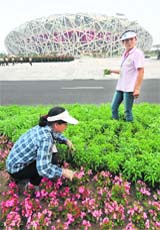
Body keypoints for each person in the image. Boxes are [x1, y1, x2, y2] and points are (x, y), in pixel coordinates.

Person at [6, 106, 79, 191]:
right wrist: (64, 172)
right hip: (16, 170)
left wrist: (66, 141)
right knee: (51, 160)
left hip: (12, 163)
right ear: (56, 124)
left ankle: (30, 178)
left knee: (52, 155)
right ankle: (33, 185)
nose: (67, 126)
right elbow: (43, 169)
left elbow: (54, 133)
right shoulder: (46, 139)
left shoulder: (44, 126)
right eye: (65, 124)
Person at [108, 30, 144, 122]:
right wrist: (111, 71)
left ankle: (130, 129)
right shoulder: (125, 54)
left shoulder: (137, 53)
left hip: (129, 88)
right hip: (120, 87)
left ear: (135, 39)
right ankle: (116, 125)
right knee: (113, 107)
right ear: (123, 42)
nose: (129, 42)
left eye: (131, 39)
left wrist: (137, 89)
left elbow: (141, 71)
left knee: (127, 111)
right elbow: (124, 71)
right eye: (126, 40)